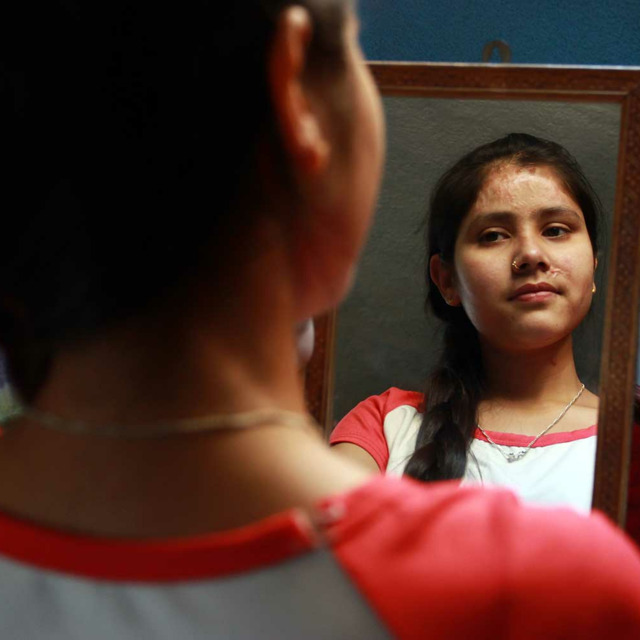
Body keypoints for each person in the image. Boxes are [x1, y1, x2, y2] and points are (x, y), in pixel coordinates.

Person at [0, 3, 639, 638]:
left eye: (558, 229)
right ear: (295, 94)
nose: (531, 255)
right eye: (357, 44)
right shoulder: (563, 586)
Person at [331, 134, 602, 513]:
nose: (530, 254)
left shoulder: (630, 438)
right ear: (447, 280)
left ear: (594, 266)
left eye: (555, 230)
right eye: (493, 236)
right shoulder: (386, 429)